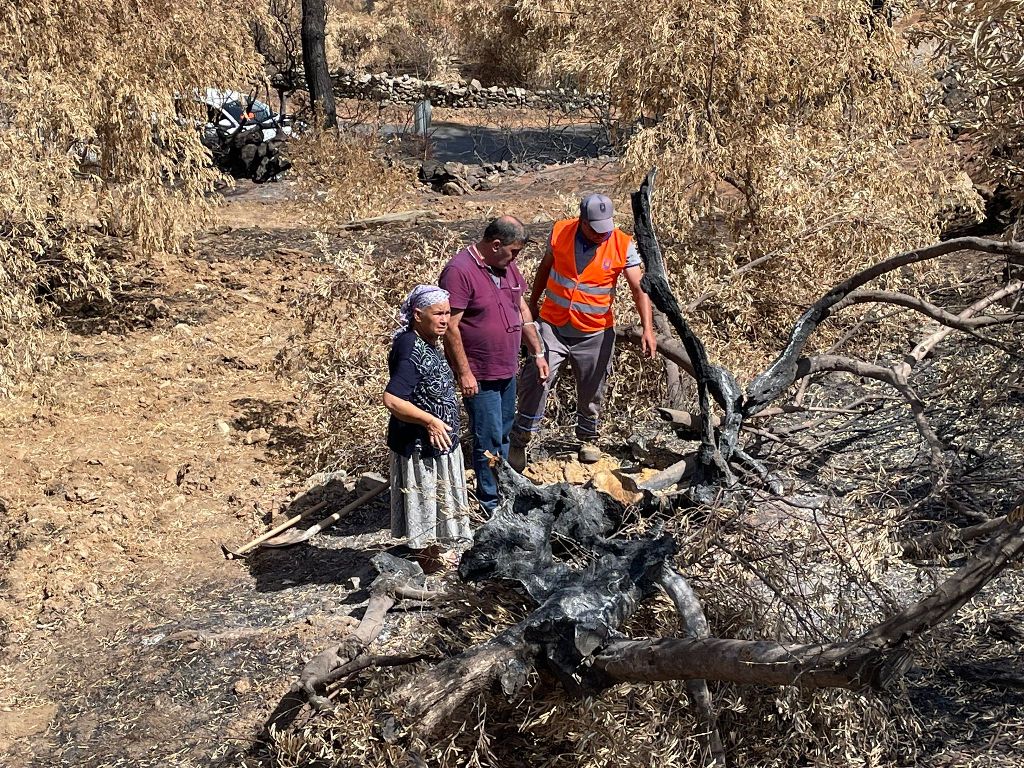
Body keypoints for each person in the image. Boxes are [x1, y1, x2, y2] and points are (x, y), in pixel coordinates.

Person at [509, 194, 657, 469]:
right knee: (538, 379)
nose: (602, 235)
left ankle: (588, 438)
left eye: (606, 228)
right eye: (595, 228)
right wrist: (532, 305)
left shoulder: (622, 244)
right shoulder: (560, 231)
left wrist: (648, 329)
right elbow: (545, 268)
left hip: (595, 332)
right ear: (582, 220)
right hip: (553, 325)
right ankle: (521, 438)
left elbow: (639, 289)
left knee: (592, 388)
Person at [439, 216, 548, 512]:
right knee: (486, 437)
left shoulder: (506, 266)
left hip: (506, 368)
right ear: (495, 244)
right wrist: (463, 373)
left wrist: (537, 352)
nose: (516, 258)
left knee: (502, 431)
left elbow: (521, 307)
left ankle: (505, 491)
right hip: (481, 373)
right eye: (513, 251)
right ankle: (490, 502)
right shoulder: (459, 271)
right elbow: (451, 327)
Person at [383, 285, 472, 571]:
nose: (445, 319)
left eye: (447, 313)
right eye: (438, 314)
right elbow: (393, 399)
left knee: (435, 502)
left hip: (437, 445)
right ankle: (430, 560)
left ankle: (436, 554)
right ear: (418, 314)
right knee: (427, 500)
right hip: (421, 448)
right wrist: (430, 421)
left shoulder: (429, 340)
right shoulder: (411, 347)